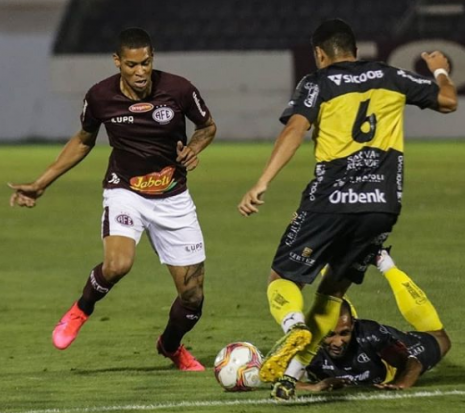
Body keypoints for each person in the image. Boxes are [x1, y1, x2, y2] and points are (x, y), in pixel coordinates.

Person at [238, 19, 457, 400]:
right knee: (333, 293)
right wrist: (440, 69)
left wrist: (262, 182)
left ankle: (293, 326)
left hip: (331, 199)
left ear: (320, 54)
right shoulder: (391, 76)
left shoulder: (317, 82)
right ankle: (290, 377)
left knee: (283, 277)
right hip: (383, 205)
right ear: (354, 49)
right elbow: (448, 101)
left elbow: (294, 130)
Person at [8, 28, 217, 371]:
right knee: (119, 264)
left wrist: (194, 148)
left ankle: (170, 346)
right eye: (132, 65)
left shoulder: (179, 89)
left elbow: (207, 126)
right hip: (125, 191)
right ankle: (80, 310)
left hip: (173, 197)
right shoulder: (100, 96)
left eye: (146, 63)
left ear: (152, 59)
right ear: (117, 61)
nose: (140, 72)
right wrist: (41, 183)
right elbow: (83, 140)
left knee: (193, 297)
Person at [298, 249, 451, 392]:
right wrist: (314, 386)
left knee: (441, 339)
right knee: (335, 314)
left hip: (397, 346)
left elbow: (412, 364)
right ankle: (329, 261)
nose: (338, 342)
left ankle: (384, 262)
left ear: (353, 326)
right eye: (330, 335)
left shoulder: (371, 335)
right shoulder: (305, 342)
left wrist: (398, 385)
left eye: (344, 334)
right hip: (349, 332)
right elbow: (283, 377)